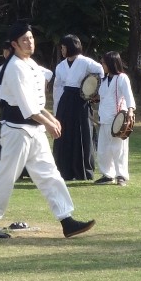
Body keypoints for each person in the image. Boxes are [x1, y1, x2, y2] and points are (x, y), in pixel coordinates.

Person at [0, 23, 95, 241]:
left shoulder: (30, 64)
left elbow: (37, 102)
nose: (30, 42)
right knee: (6, 176)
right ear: (14, 44)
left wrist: (51, 118)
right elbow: (26, 106)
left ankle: (67, 220)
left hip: (34, 130)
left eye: (31, 38)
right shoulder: (14, 67)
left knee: (50, 174)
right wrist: (49, 123)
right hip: (16, 130)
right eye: (24, 39)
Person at [50, 35, 102, 182]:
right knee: (64, 134)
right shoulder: (61, 66)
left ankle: (83, 171)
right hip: (65, 101)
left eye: (64, 47)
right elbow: (57, 87)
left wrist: (93, 91)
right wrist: (56, 107)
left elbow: (100, 72)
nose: (62, 50)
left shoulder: (85, 62)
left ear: (71, 47)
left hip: (81, 100)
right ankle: (63, 170)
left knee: (82, 132)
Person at [94, 51, 137, 186]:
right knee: (103, 149)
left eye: (104, 63)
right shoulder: (104, 80)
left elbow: (128, 95)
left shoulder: (122, 78)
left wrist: (130, 111)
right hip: (104, 118)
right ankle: (107, 175)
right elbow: (104, 97)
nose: (102, 65)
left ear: (111, 64)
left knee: (119, 149)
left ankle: (121, 175)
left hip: (117, 119)